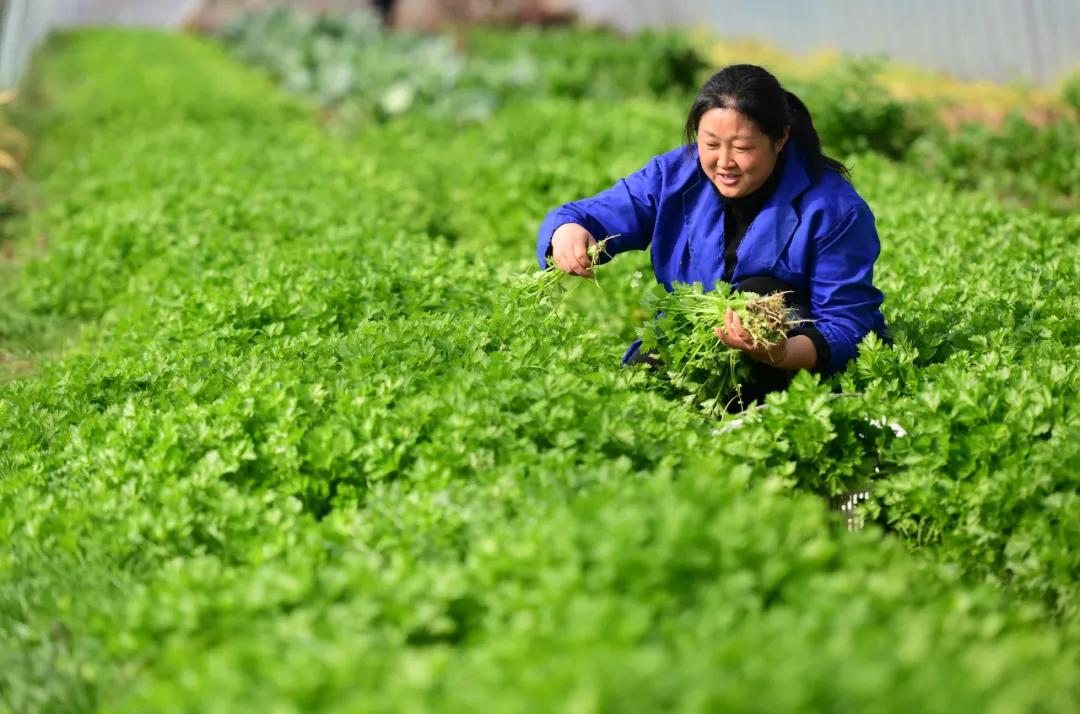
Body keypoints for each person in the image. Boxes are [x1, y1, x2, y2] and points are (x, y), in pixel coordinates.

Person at [535, 64, 887, 406]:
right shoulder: (674, 175)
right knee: (636, 386)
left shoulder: (833, 209)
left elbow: (847, 325)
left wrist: (779, 352)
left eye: (742, 148)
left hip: (791, 361)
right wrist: (568, 232)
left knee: (758, 293)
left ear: (780, 138)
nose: (724, 162)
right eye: (711, 144)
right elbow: (590, 214)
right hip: (694, 345)